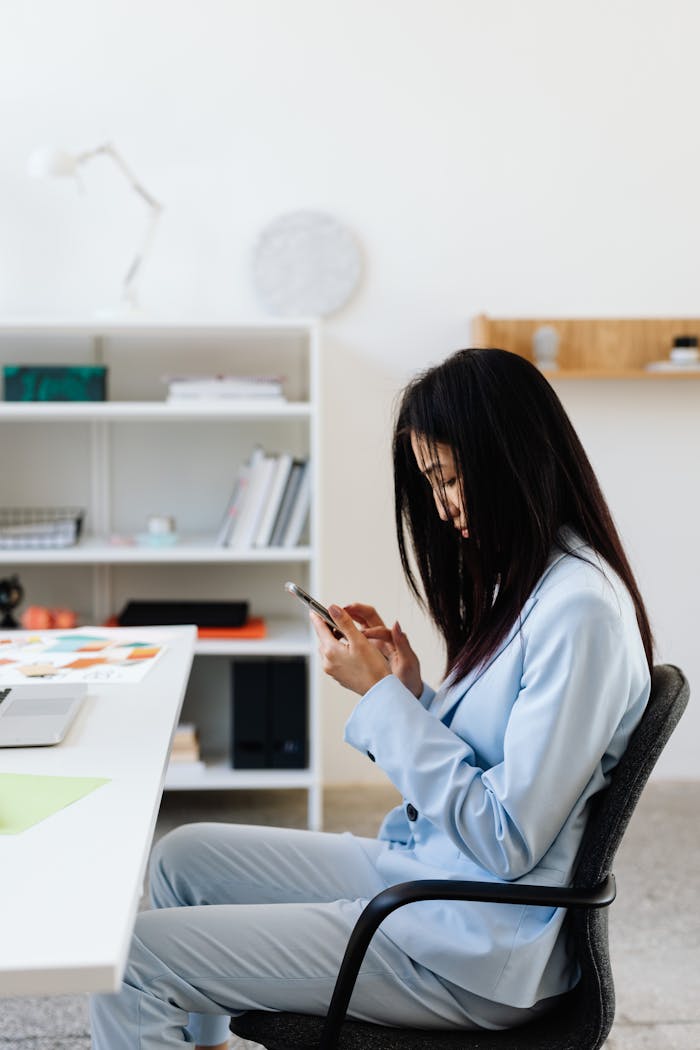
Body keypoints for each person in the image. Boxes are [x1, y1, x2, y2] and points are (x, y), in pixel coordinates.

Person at [90, 347, 652, 1049]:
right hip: (434, 877)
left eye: (450, 479)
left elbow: (506, 839)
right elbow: (500, 755)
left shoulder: (580, 610)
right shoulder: (532, 582)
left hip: (470, 944)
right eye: (432, 483)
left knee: (137, 958)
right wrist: (412, 690)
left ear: (514, 456)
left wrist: (383, 698)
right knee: (185, 858)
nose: (444, 509)